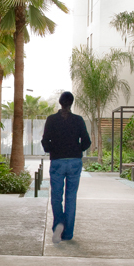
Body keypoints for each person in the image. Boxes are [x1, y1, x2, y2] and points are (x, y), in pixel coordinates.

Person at [41, 91, 91, 244]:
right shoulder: (78, 120)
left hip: (57, 161)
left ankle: (59, 224)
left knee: (56, 196)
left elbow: (45, 141)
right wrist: (77, 149)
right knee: (70, 198)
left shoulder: (51, 120)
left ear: (60, 102)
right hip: (74, 161)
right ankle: (68, 234)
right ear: (71, 103)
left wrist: (53, 149)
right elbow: (87, 142)